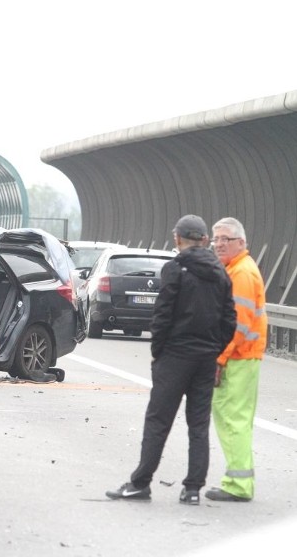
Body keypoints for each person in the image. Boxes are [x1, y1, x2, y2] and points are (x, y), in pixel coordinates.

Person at [106, 215, 236, 505]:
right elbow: (230, 320)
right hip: (205, 359)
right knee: (198, 425)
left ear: (177, 238)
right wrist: (214, 349)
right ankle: (192, 490)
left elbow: (162, 316)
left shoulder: (175, 269)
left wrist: (159, 352)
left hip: (175, 356)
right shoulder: (221, 273)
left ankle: (140, 483)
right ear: (204, 240)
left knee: (158, 421)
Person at [205, 217, 267, 502]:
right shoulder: (235, 269)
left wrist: (220, 359)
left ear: (241, 243)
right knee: (234, 418)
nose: (218, 244)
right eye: (215, 239)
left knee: (234, 420)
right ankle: (239, 479)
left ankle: (238, 485)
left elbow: (238, 326)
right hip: (242, 357)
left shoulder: (241, 273)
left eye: (225, 239)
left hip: (238, 358)